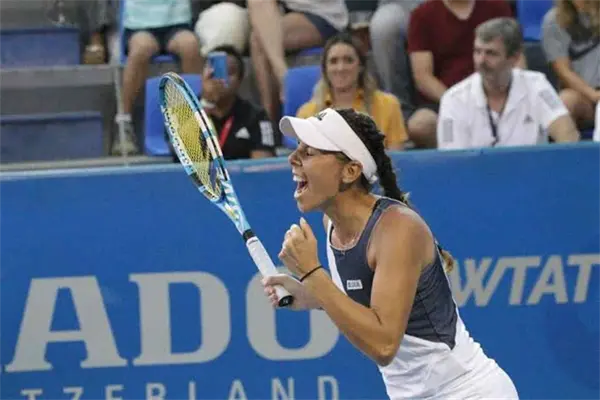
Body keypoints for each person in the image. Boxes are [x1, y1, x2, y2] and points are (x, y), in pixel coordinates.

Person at [262, 107, 519, 399]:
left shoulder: (398, 229)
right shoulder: (332, 224)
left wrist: (312, 274)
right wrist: (309, 294)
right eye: (297, 149)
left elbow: (384, 345)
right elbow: (365, 304)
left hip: (468, 392)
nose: (292, 158)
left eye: (308, 152)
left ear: (350, 171)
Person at [437, 17, 579, 149]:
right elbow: (453, 157)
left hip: (531, 167)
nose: (481, 61)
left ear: (514, 58)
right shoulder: (453, 99)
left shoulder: (536, 85)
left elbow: (567, 133)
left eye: (491, 53)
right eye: (477, 52)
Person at [296, 32, 408, 150]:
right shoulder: (306, 114)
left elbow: (395, 157)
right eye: (333, 61)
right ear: (325, 69)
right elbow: (305, 159)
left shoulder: (388, 105)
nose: (340, 68)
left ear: (361, 66)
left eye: (348, 60)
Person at [542, 0, 600, 136]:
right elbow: (563, 71)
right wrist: (594, 95)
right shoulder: (554, 20)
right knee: (565, 102)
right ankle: (568, 148)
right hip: (584, 95)